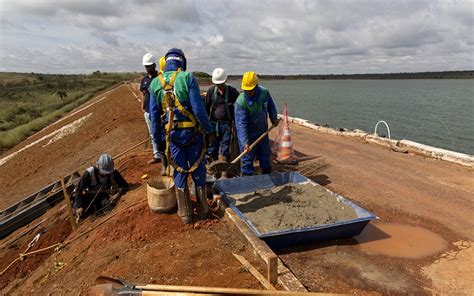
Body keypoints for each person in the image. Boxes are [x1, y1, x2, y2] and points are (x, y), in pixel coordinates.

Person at [149, 48, 214, 224]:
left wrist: (158, 142)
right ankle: (203, 211)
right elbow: (199, 111)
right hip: (193, 134)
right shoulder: (187, 78)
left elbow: (154, 118)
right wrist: (209, 131)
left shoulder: (155, 83)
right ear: (182, 62)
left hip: (172, 137)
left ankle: (185, 214)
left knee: (179, 171)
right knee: (198, 169)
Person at [235, 71, 279, 176]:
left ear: (256, 86)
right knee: (247, 160)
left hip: (262, 132)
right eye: (246, 90)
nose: (248, 92)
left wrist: (273, 118)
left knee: (265, 155)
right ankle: (247, 179)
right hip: (249, 136)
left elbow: (271, 106)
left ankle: (266, 176)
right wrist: (245, 142)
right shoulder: (241, 102)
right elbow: (241, 124)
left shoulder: (264, 93)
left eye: (250, 90)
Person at [73, 154, 129, 220]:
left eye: (107, 172)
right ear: (98, 166)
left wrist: (118, 194)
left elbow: (124, 185)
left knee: (109, 206)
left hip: (102, 196)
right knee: (82, 214)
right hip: (88, 197)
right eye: (104, 172)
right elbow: (79, 189)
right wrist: (80, 206)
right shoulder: (89, 173)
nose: (105, 174)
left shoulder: (113, 172)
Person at [204, 68, 240, 168]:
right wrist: (206, 126)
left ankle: (224, 170)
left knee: (225, 147)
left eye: (220, 83)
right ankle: (214, 168)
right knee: (213, 147)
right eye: (217, 83)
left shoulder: (232, 92)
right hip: (213, 124)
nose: (219, 85)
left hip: (226, 125)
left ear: (225, 80)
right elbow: (206, 108)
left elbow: (239, 108)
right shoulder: (211, 91)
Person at [140, 53, 161, 164]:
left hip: (158, 112)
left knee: (161, 132)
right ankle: (157, 154)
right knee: (152, 133)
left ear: (154, 65)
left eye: (149, 66)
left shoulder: (160, 78)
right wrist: (142, 107)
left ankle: (165, 154)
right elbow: (143, 94)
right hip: (148, 111)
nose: (148, 68)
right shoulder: (144, 80)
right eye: (146, 66)